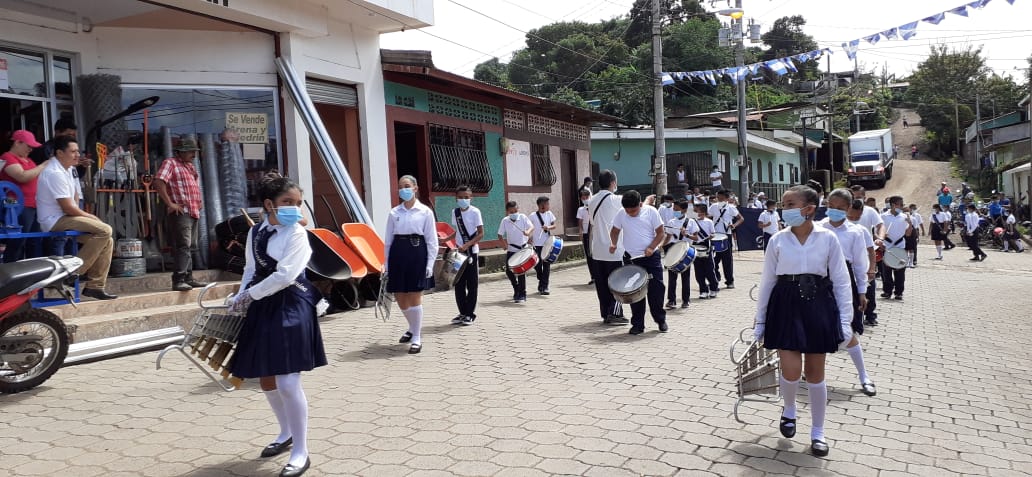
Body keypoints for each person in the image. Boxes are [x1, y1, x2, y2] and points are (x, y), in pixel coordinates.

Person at [227, 173, 325, 477]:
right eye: (287, 202)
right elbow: (250, 269)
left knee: (288, 381)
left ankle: (301, 451)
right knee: (267, 379)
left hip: (292, 304)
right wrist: (240, 296)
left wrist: (250, 295)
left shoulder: (297, 234)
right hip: (263, 304)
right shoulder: (255, 232)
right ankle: (286, 433)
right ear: (269, 204)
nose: (295, 208)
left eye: (298, 203)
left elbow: (286, 276)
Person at [753, 184, 854, 457]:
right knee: (791, 370)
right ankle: (789, 409)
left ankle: (818, 432)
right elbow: (767, 281)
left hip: (818, 303)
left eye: (790, 205)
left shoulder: (828, 238)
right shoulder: (777, 240)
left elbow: (841, 280)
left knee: (815, 373)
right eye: (783, 205)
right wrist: (760, 320)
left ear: (808, 209)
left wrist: (846, 321)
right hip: (785, 304)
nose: (784, 210)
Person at [36, 136, 116, 300]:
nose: (77, 155)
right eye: (73, 151)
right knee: (105, 230)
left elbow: (75, 198)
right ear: (60, 153)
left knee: (107, 240)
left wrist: (87, 217)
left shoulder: (68, 169)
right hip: (54, 220)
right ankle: (72, 273)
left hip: (66, 217)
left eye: (77, 151)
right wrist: (91, 217)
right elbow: (68, 207)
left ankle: (95, 286)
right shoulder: (54, 172)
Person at [820, 189, 877, 397]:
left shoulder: (856, 231)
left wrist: (862, 291)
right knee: (817, 326)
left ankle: (864, 376)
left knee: (846, 330)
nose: (835, 210)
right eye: (831, 206)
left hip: (845, 281)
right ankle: (814, 373)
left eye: (840, 208)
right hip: (820, 281)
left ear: (848, 208)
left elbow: (860, 263)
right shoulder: (817, 227)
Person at [385, 175, 439, 354]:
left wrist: (430, 264)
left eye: (407, 186)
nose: (403, 190)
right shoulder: (394, 213)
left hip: (417, 252)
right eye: (401, 187)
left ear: (415, 188)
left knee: (415, 295)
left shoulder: (425, 212)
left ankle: (416, 337)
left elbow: (432, 241)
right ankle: (412, 326)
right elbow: (388, 241)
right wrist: (386, 264)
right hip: (398, 253)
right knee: (400, 296)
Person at [609, 190, 668, 335]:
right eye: (627, 211)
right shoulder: (621, 214)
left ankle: (660, 320)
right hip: (631, 259)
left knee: (656, 290)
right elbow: (615, 231)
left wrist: (651, 247)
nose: (630, 213)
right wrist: (613, 244)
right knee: (634, 292)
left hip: (651, 258)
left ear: (640, 204)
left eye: (633, 210)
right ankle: (637, 324)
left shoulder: (651, 212)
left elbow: (661, 233)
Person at [154, 138, 209, 291]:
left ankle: (188, 278)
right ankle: (178, 279)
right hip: (181, 211)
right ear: (181, 152)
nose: (194, 155)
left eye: (194, 151)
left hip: (193, 210)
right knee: (183, 245)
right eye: (191, 151)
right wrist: (170, 203)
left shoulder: (190, 167)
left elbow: (194, 185)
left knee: (191, 246)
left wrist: (198, 201)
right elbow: (158, 181)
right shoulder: (170, 163)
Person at [586, 170, 628, 325]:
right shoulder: (617, 200)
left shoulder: (591, 200)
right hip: (614, 250)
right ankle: (615, 314)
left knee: (602, 284)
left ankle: (606, 313)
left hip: (597, 249)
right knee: (617, 283)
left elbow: (592, 223)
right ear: (613, 183)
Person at [0, 130, 48, 262]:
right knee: (18, 242)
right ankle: (10, 270)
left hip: (35, 204)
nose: (30, 149)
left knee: (35, 241)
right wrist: (43, 165)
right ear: (17, 143)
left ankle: (32, 271)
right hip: (18, 205)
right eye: (28, 146)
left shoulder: (29, 160)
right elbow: (22, 176)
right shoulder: (7, 157)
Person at [449, 185, 483, 325]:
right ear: (456, 198)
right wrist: (445, 239)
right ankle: (462, 313)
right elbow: (457, 231)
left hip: (471, 253)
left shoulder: (475, 212)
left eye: (466, 197)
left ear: (471, 198)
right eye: (460, 197)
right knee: (458, 283)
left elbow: (480, 234)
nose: (463, 200)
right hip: (459, 253)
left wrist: (467, 245)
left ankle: (470, 314)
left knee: (472, 284)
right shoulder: (455, 212)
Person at [847, 200, 879, 326]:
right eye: (851, 217)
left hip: (862, 269)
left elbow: (871, 251)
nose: (854, 220)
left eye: (857, 218)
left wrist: (871, 269)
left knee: (868, 294)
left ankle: (869, 316)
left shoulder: (862, 230)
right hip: (846, 272)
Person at [498, 200, 533, 303]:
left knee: (521, 271)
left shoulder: (523, 217)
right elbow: (500, 234)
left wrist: (528, 232)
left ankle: (522, 294)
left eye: (515, 211)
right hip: (511, 249)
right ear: (507, 212)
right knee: (509, 271)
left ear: (518, 209)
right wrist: (503, 244)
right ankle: (516, 287)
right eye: (511, 212)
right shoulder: (505, 220)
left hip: (522, 249)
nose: (514, 213)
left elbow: (532, 227)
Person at [708, 189, 743, 289]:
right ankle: (715, 278)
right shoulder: (713, 207)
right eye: (718, 198)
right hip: (715, 236)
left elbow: (741, 218)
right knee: (713, 259)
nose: (719, 200)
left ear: (727, 199)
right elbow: (708, 216)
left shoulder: (731, 208)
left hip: (726, 235)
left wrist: (734, 225)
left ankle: (730, 281)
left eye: (722, 198)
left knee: (727, 260)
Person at [880, 196, 912, 300]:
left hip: (900, 245)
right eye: (901, 204)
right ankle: (887, 291)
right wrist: (882, 237)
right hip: (887, 245)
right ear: (893, 205)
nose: (902, 207)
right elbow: (878, 230)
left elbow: (908, 234)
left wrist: (910, 223)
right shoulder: (883, 216)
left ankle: (899, 292)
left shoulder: (904, 217)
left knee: (900, 270)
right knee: (886, 271)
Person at [662, 200, 693, 309]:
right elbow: (668, 237)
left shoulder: (691, 222)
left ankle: (686, 300)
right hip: (673, 251)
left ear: (684, 210)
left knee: (685, 277)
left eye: (676, 209)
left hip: (685, 251)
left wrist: (687, 234)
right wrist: (660, 246)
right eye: (674, 209)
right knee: (672, 277)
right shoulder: (671, 222)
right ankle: (671, 300)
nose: (674, 211)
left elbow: (696, 237)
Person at [688, 203, 720, 299]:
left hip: (706, 246)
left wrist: (709, 237)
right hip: (696, 246)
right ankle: (703, 290)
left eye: (699, 212)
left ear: (704, 212)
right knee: (698, 271)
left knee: (710, 270)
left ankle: (713, 289)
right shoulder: (692, 222)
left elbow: (713, 233)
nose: (698, 214)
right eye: (696, 211)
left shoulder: (709, 222)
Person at [529, 196, 557, 295]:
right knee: (537, 264)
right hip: (536, 244)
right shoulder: (532, 215)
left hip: (547, 243)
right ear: (542, 205)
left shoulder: (549, 214)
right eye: (547, 204)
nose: (549, 206)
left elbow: (554, 225)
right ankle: (541, 278)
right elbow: (528, 227)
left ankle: (544, 287)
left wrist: (548, 227)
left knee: (546, 265)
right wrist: (529, 237)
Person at [575, 189, 596, 285]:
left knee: (596, 254)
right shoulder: (581, 209)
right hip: (586, 233)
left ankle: (599, 275)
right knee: (589, 255)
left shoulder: (594, 207)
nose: (585, 199)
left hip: (595, 233)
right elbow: (580, 222)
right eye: (583, 198)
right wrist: (580, 231)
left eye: (587, 197)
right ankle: (593, 276)